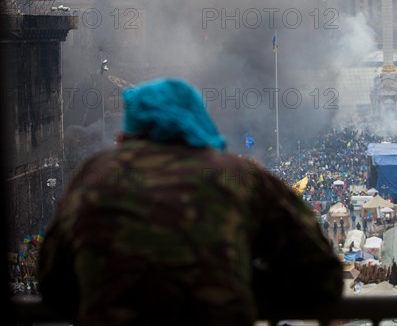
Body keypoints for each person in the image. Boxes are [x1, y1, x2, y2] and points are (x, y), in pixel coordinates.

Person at [37, 78, 343, 326]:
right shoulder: (237, 175)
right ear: (197, 118)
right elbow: (322, 274)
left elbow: (53, 283)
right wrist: (232, 287)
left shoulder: (95, 175)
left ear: (133, 126)